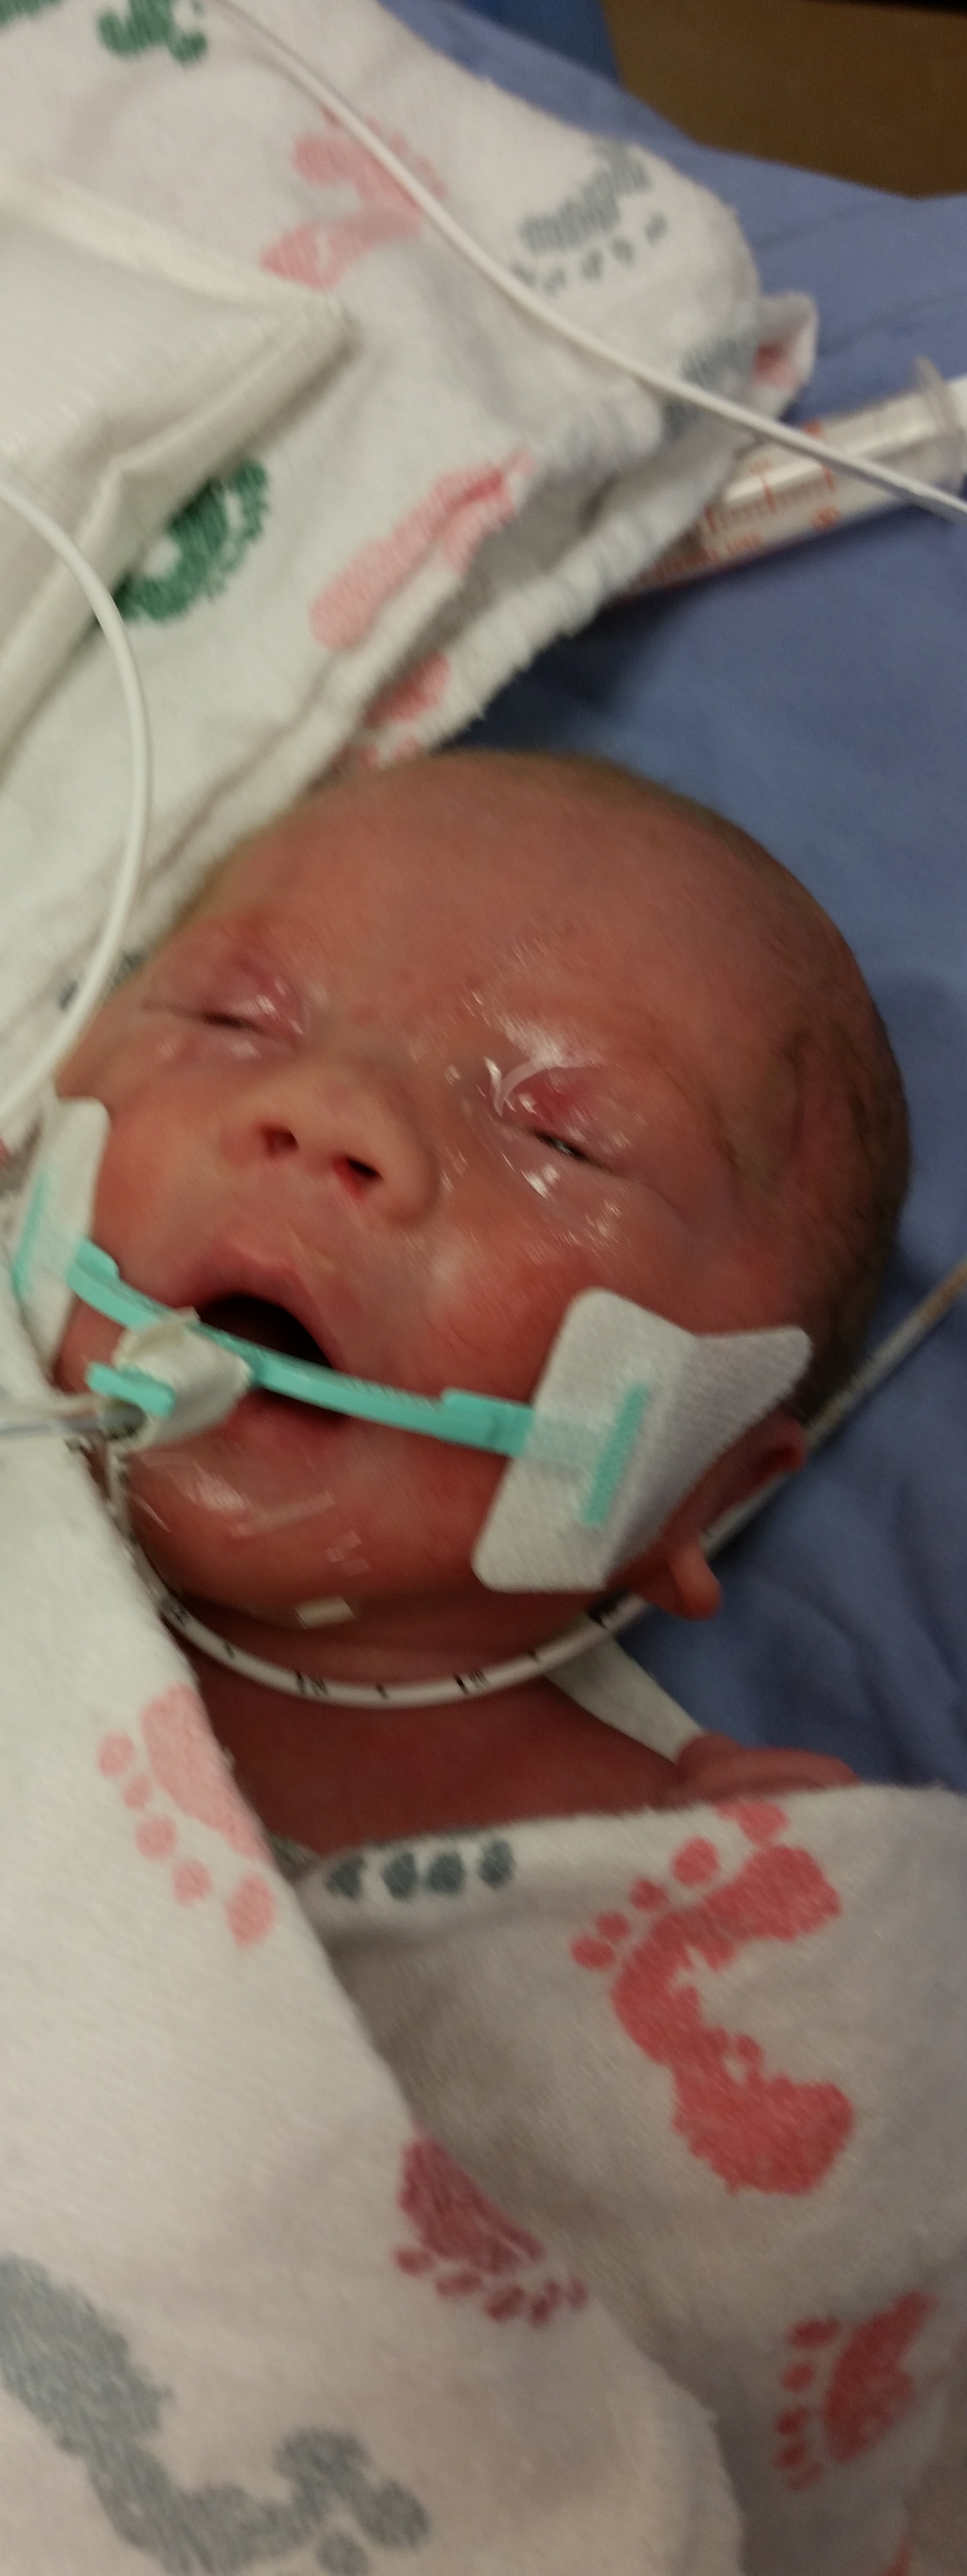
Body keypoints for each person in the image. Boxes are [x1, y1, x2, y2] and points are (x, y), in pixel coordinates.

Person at [53, 747, 905, 1850]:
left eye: (562, 1140)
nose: (330, 1104)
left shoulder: (680, 1869)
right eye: (236, 1019)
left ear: (710, 1474)